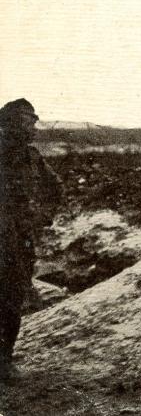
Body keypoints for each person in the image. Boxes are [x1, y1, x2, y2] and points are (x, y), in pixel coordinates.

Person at [0, 99, 63, 380]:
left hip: (18, 236)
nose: (33, 129)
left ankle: (4, 360)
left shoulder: (32, 157)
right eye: (28, 123)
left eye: (34, 122)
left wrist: (43, 215)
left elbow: (55, 186)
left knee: (13, 296)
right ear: (11, 125)